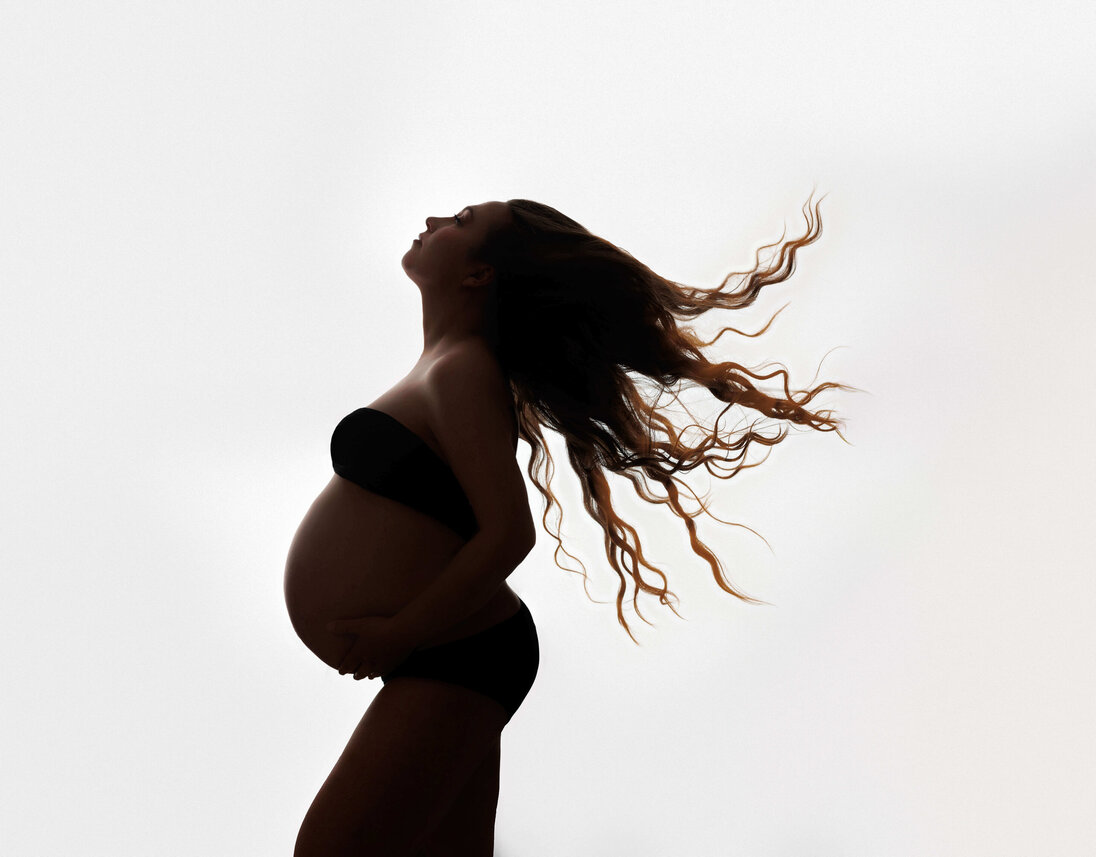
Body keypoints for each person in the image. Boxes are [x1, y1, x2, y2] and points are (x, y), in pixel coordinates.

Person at [286, 193, 857, 856]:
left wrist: (399, 631)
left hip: (456, 650)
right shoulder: (444, 366)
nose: (437, 220)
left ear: (479, 275)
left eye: (462, 223)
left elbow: (509, 532)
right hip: (448, 651)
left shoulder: (463, 369)